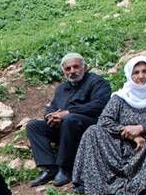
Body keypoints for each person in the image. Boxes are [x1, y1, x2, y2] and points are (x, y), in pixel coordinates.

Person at [72, 55, 146, 195]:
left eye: (145, 71)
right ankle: (91, 182)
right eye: (136, 72)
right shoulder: (121, 97)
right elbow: (104, 120)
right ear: (129, 75)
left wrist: (142, 128)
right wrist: (130, 134)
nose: (141, 76)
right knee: (93, 131)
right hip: (126, 146)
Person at [26, 52, 111, 187]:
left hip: (87, 127)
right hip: (64, 127)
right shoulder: (62, 88)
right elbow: (52, 106)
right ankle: (50, 168)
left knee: (70, 119)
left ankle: (66, 169)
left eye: (76, 67)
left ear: (85, 67)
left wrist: (68, 113)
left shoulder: (97, 83)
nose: (72, 71)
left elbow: (100, 105)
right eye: (68, 69)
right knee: (33, 126)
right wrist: (50, 116)